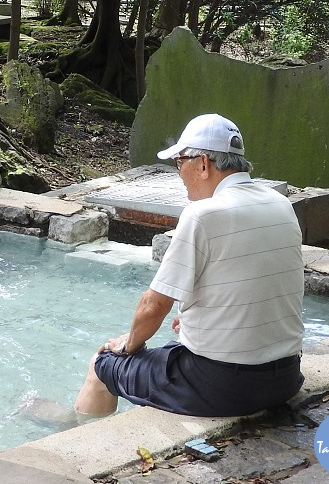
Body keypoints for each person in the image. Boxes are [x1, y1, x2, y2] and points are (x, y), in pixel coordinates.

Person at [74, 113, 304, 419]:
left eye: (180, 162)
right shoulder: (280, 204)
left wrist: (128, 345)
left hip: (224, 388)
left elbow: (153, 306)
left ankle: (75, 439)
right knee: (177, 343)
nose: (179, 172)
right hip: (285, 378)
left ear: (204, 164)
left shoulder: (203, 214)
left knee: (102, 364)